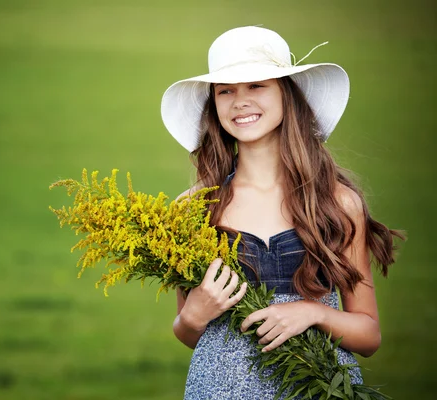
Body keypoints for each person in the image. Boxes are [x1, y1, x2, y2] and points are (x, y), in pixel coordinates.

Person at [160, 26, 405, 399]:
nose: (240, 101)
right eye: (226, 91)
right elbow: (188, 332)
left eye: (256, 85)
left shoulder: (336, 204)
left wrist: (315, 313)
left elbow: (368, 335)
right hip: (219, 389)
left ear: (287, 96)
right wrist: (194, 315)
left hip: (316, 390)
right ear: (214, 106)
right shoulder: (193, 209)